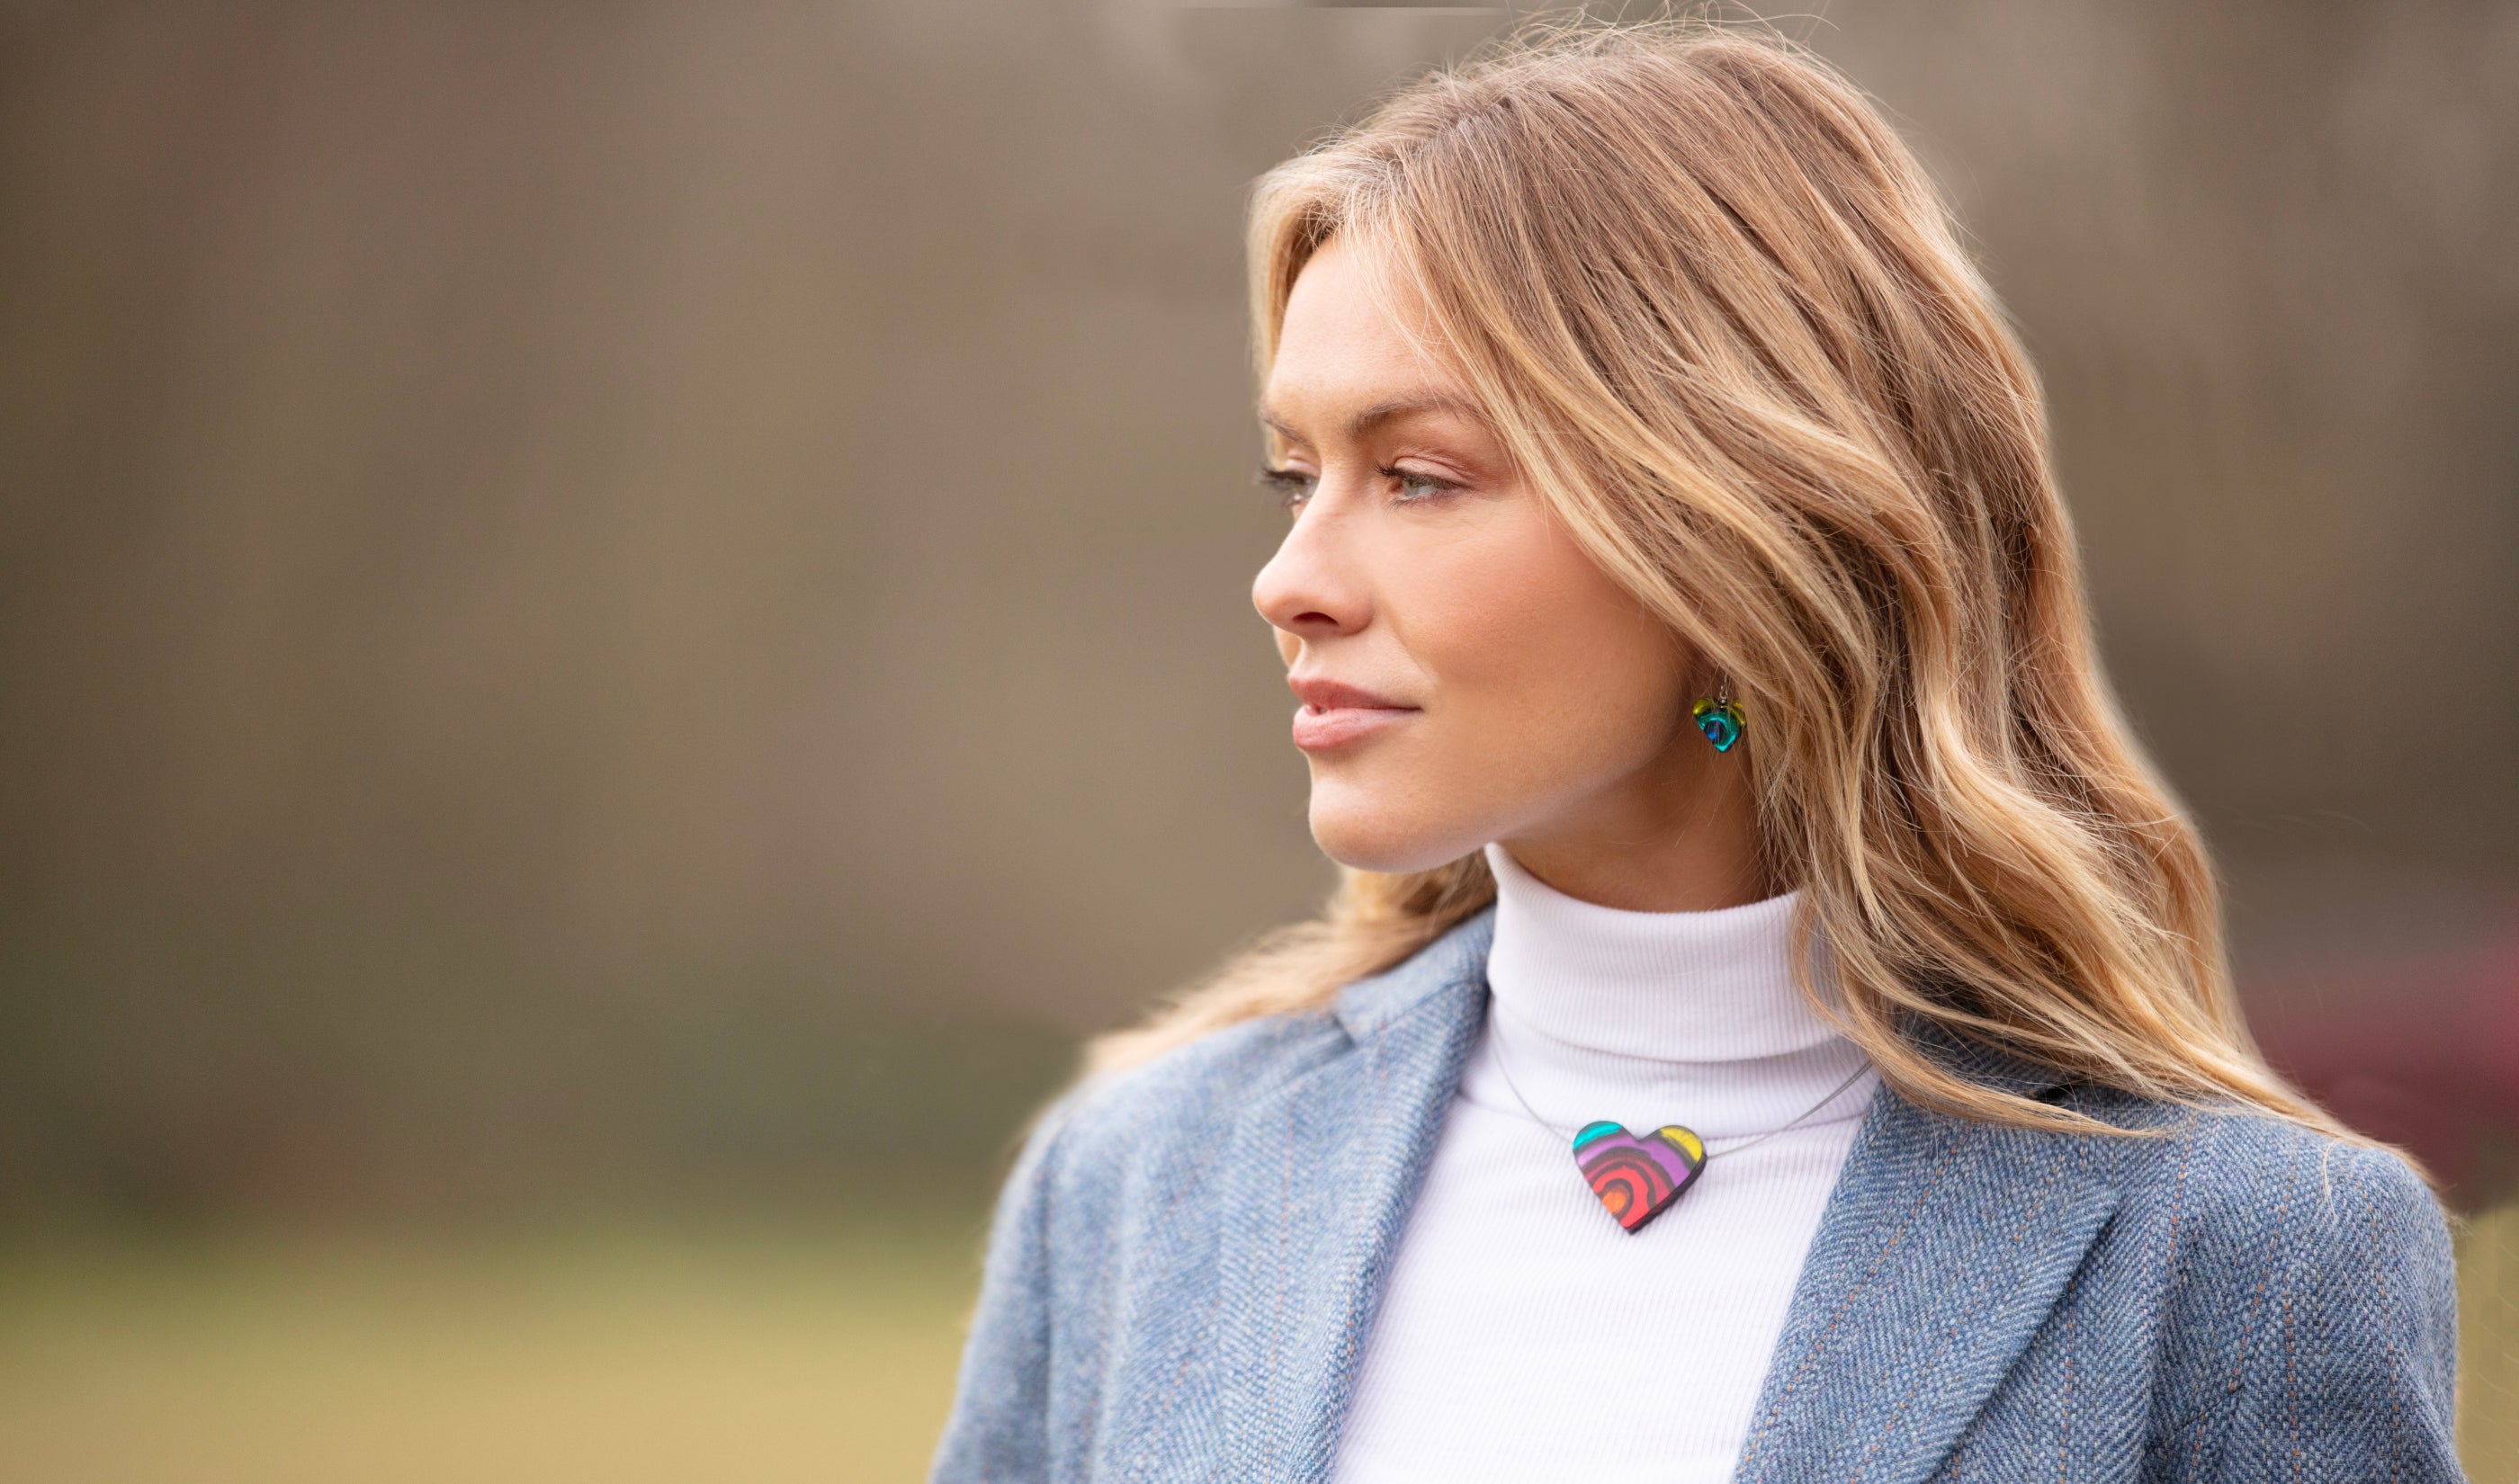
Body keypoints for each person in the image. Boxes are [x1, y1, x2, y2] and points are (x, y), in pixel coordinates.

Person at [928, 22, 2462, 1484]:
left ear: (1733, 533)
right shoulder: (1139, 1185)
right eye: (1293, 476)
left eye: (1416, 475)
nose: (1292, 579)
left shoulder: (2252, 1255)